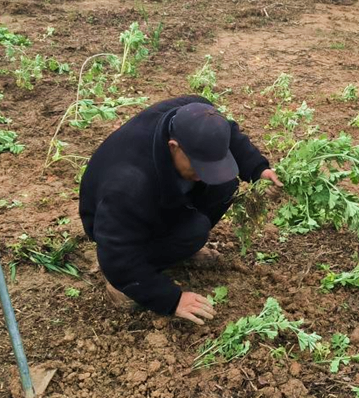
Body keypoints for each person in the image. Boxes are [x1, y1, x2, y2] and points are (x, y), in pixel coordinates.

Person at [80, 97, 282, 325]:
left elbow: (226, 135)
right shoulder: (129, 186)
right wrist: (171, 299)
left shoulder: (195, 112)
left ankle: (174, 249)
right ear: (173, 146)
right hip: (116, 227)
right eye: (199, 165)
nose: (205, 173)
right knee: (194, 231)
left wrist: (258, 169)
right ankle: (128, 283)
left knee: (225, 185)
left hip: (156, 198)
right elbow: (116, 254)